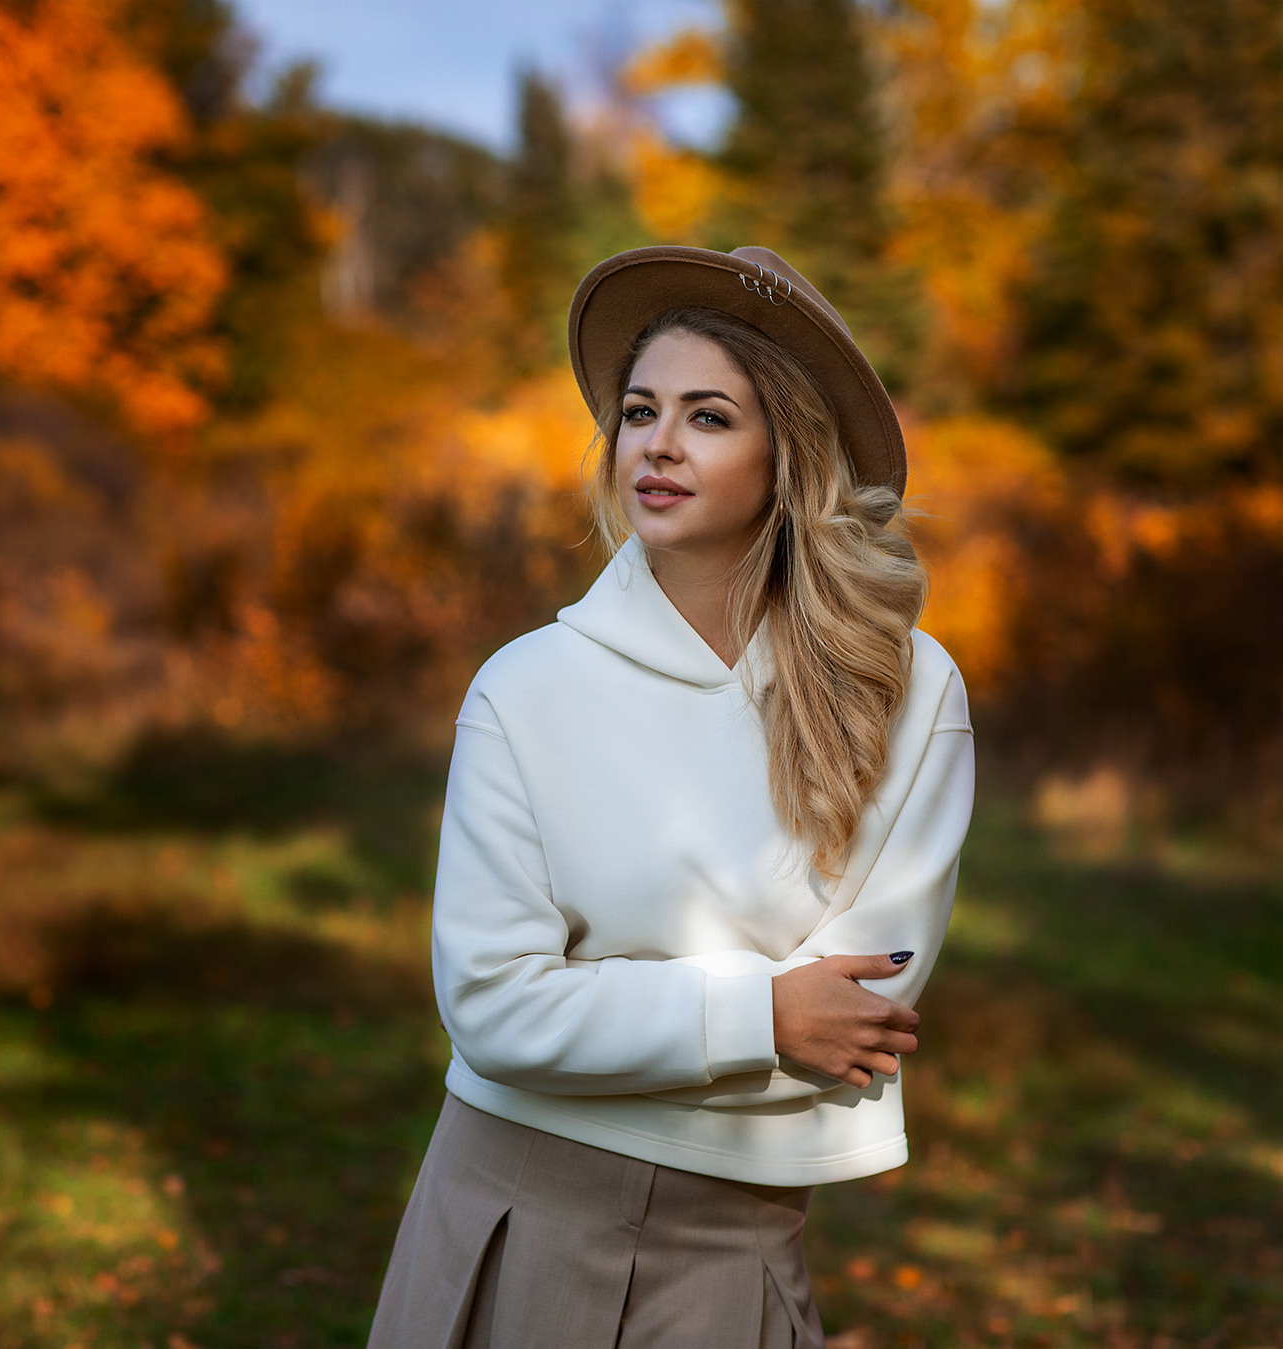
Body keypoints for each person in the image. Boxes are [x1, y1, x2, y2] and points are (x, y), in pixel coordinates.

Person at [366, 245, 974, 1348]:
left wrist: (606, 1013)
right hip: (513, 1206)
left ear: (788, 453)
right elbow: (495, 1007)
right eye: (640, 411)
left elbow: (856, 1014)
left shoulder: (910, 688)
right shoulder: (523, 688)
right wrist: (762, 1015)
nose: (656, 443)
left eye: (708, 417)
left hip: (738, 1238)